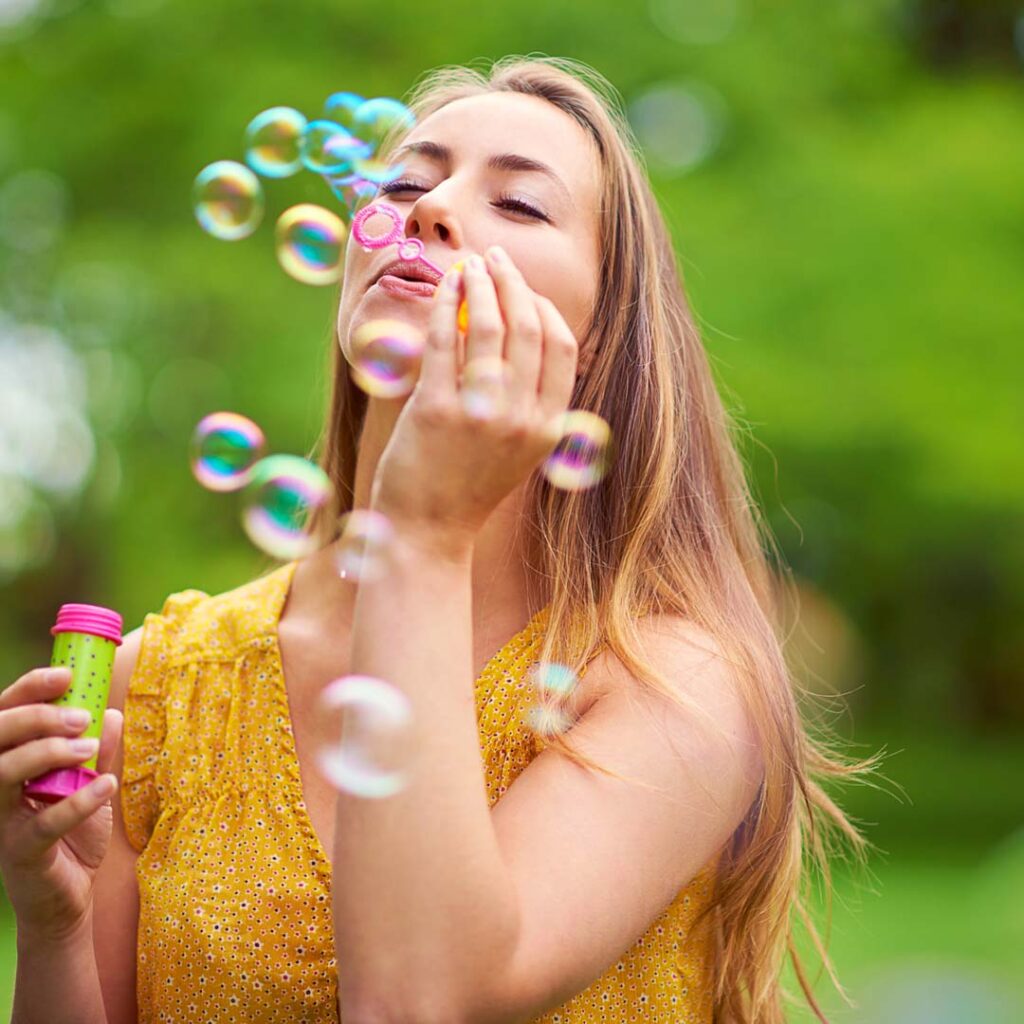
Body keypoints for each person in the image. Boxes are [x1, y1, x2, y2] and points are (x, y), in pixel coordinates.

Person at [3, 56, 883, 1024]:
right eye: (406, 183)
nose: (426, 211)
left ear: (599, 337)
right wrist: (51, 924)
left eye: (519, 204)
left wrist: (422, 533)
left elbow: (422, 1000)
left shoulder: (670, 681)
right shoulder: (167, 681)